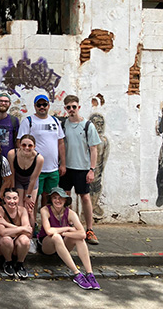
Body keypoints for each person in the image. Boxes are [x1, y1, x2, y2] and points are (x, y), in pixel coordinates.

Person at [37, 187, 100, 290]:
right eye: (55, 198)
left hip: (63, 243)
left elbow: (82, 234)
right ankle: (76, 274)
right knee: (56, 236)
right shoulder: (45, 210)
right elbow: (49, 231)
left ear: (65, 200)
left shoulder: (70, 213)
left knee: (78, 239)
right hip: (47, 245)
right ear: (51, 200)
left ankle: (89, 273)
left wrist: (66, 233)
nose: (58, 200)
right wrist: (67, 228)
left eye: (61, 198)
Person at [60, 95, 102, 245]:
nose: (71, 110)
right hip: (67, 167)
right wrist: (62, 164)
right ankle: (71, 225)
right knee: (66, 197)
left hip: (83, 168)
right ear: (65, 109)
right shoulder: (63, 125)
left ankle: (89, 229)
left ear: (78, 107)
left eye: (74, 106)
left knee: (85, 197)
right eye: (68, 107)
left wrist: (92, 169)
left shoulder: (87, 125)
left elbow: (94, 149)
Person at [17, 94, 66, 208]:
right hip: (35, 168)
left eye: (44, 104)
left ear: (48, 105)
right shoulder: (28, 121)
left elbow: (61, 142)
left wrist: (63, 163)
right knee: (33, 198)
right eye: (39, 105)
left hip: (53, 168)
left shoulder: (55, 121)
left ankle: (46, 223)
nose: (42, 107)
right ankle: (33, 223)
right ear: (35, 106)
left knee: (48, 197)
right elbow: (20, 143)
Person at [0, 188, 31, 279]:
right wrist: (22, 228)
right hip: (1, 243)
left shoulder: (22, 210)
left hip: (17, 243)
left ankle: (20, 264)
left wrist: (6, 224)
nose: (12, 201)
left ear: (18, 199)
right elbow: (2, 232)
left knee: (25, 240)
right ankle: (8, 263)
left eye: (15, 198)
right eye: (9, 198)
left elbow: (29, 232)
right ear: (4, 199)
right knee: (7, 239)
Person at [7, 134, 44, 228]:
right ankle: (19, 230)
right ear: (19, 145)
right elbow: (12, 173)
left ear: (34, 147)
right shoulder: (12, 154)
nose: (26, 148)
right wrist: (12, 191)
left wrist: (28, 196)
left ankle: (31, 233)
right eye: (24, 145)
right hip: (18, 180)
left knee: (29, 209)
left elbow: (33, 179)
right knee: (19, 207)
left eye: (30, 146)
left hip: (31, 182)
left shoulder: (39, 159)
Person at [0, 93, 20, 157]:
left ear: (9, 104)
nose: (3, 103)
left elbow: (17, 140)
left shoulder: (14, 120)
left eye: (6, 101)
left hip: (9, 158)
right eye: (1, 101)